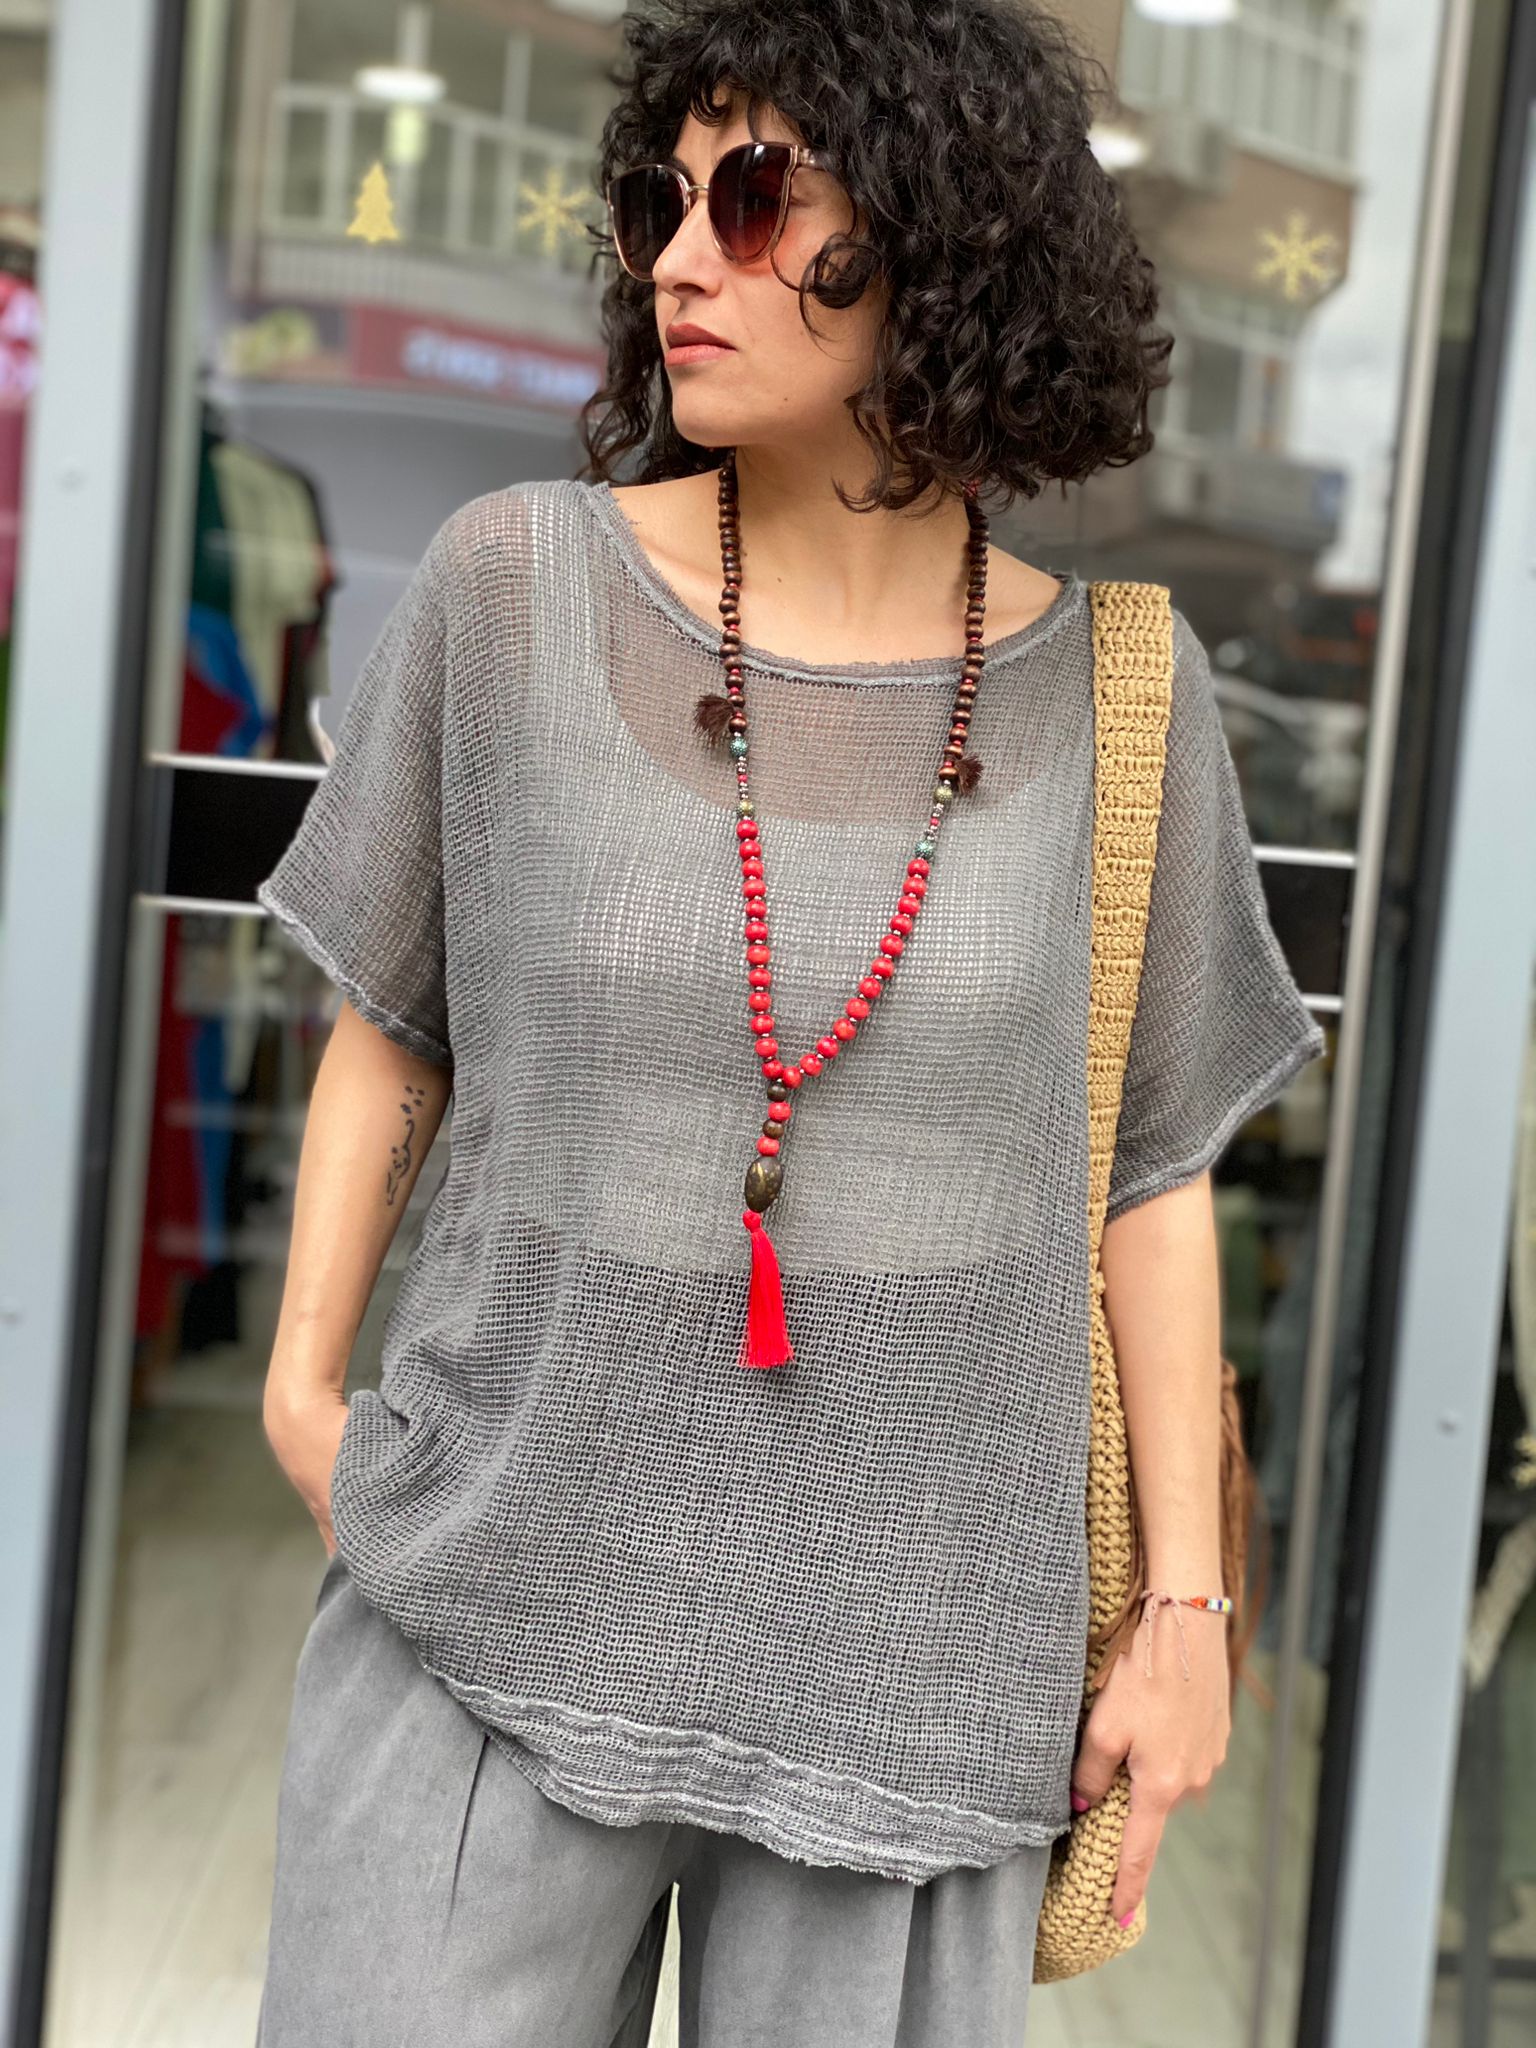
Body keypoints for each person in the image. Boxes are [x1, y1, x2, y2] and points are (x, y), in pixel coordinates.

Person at [254, 1, 1327, 2043]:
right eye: (659, 200)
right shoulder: (511, 590)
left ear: (940, 231)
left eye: (753, 197)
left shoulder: (1122, 691)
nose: (680, 255)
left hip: (915, 1657)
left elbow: (1148, 1166)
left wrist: (1182, 1608)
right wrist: (308, 1400)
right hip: (494, 1594)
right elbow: (394, 1020)